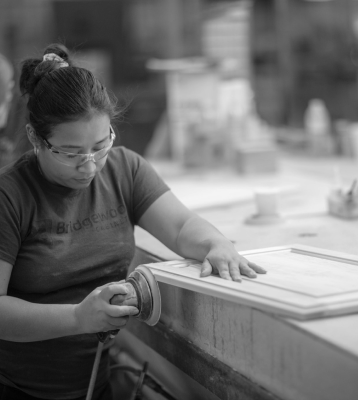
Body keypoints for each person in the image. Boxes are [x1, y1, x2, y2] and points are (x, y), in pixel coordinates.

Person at [0, 44, 266, 400]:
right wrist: (79, 318)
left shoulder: (125, 169)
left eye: (101, 144)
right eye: (70, 153)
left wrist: (216, 244)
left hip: (96, 385)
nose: (91, 165)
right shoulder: (10, 196)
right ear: (35, 138)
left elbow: (182, 226)